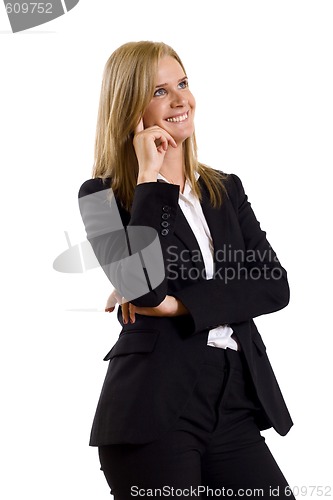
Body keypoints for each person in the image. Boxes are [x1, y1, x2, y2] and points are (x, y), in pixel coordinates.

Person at [78, 41, 295, 499]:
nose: (181, 100)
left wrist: (179, 305)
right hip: (152, 410)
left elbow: (274, 285)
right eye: (160, 91)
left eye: (183, 83)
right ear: (130, 108)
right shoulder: (99, 196)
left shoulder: (224, 189)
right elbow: (142, 287)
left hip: (235, 401)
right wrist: (148, 181)